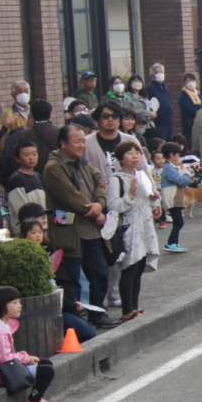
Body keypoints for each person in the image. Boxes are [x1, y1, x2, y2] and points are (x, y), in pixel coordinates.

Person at [44, 124, 119, 329]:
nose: (81, 145)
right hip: (70, 232)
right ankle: (75, 322)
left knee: (100, 272)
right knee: (72, 280)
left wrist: (100, 203)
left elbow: (99, 182)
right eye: (76, 141)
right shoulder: (54, 167)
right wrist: (94, 209)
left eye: (83, 140)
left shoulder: (82, 162)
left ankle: (97, 312)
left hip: (91, 229)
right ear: (63, 143)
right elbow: (71, 197)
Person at [0, 287, 61, 402]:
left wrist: (26, 359)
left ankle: (38, 398)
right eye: (14, 303)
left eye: (19, 302)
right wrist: (26, 358)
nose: (19, 306)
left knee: (45, 362)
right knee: (47, 371)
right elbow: (4, 358)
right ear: (1, 306)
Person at [106, 141, 160, 321]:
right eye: (130, 153)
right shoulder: (117, 179)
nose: (135, 156)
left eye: (137, 153)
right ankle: (127, 308)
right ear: (121, 158)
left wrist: (155, 202)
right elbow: (113, 206)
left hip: (145, 226)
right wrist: (129, 196)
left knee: (138, 269)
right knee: (129, 268)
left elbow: (150, 196)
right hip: (129, 228)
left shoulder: (142, 174)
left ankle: (135, 306)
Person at [159, 142, 192, 253]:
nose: (179, 157)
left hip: (174, 198)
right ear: (172, 155)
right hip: (172, 199)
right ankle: (172, 243)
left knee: (178, 221)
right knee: (179, 221)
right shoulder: (169, 168)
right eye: (178, 155)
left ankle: (173, 243)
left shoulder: (171, 167)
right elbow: (180, 181)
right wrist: (187, 175)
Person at [5, 139, 45, 219]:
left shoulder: (38, 176)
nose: (31, 158)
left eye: (34, 154)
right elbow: (21, 210)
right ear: (17, 158)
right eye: (26, 155)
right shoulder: (16, 180)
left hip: (41, 227)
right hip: (27, 228)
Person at [146, 63, 174, 142]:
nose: (160, 74)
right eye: (157, 72)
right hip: (158, 124)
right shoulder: (150, 88)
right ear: (152, 76)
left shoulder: (165, 88)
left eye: (161, 72)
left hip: (168, 123)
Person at [178, 73, 202, 139]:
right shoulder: (183, 95)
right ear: (184, 83)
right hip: (189, 124)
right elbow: (188, 108)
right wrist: (199, 110)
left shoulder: (197, 94)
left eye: (192, 81)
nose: (191, 83)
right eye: (188, 81)